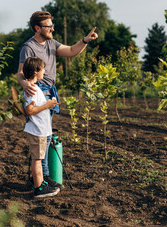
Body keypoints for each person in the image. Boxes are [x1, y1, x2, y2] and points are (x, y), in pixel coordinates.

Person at [17, 11, 98, 189]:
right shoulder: (28, 47)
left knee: (45, 136)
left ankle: (41, 178)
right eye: (48, 26)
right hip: (39, 92)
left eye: (52, 25)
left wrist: (85, 40)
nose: (52, 29)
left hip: (49, 92)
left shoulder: (51, 43)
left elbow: (71, 51)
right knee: (41, 138)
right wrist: (25, 85)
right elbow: (21, 73)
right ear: (38, 28)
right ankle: (42, 178)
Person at [22, 56, 60, 198]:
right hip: (37, 131)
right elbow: (29, 110)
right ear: (36, 71)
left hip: (39, 130)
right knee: (37, 159)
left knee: (38, 158)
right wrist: (47, 105)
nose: (44, 71)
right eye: (42, 68)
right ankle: (38, 188)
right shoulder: (31, 89)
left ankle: (41, 183)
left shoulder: (34, 88)